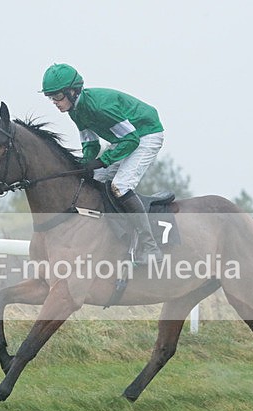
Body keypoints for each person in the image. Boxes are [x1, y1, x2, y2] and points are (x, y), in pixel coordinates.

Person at [41, 63, 164, 265]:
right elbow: (90, 142)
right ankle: (114, 236)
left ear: (73, 92)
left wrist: (103, 160)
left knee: (120, 186)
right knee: (94, 181)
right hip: (125, 138)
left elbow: (132, 140)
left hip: (146, 134)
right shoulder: (75, 111)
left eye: (58, 96)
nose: (55, 102)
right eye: (51, 97)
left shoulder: (99, 107)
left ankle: (150, 246)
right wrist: (85, 163)